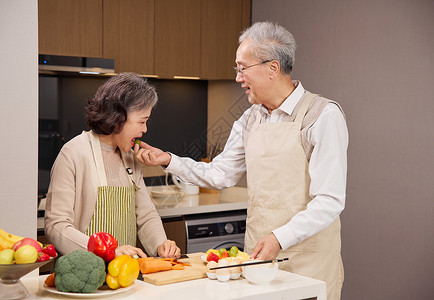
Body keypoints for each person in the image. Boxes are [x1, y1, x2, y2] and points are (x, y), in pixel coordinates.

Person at [135, 22, 347, 299]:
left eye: (242, 67)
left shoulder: (321, 116)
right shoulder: (250, 119)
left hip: (309, 262)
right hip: (259, 259)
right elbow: (221, 174)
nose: (238, 77)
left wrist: (278, 238)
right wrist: (168, 160)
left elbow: (329, 200)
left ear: (272, 68)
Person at [44, 72, 181, 259]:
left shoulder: (130, 156)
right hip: (86, 275)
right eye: (142, 121)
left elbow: (145, 214)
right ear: (118, 117)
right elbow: (56, 226)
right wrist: (107, 251)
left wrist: (161, 244)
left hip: (124, 275)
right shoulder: (73, 153)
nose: (145, 130)